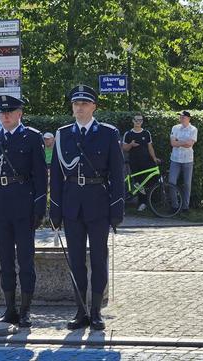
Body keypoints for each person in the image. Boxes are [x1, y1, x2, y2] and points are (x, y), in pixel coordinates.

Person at [49, 84, 124, 331]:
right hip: (72, 206)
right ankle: (80, 310)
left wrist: (117, 209)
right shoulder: (63, 134)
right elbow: (57, 177)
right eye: (75, 104)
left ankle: (96, 312)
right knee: (76, 260)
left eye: (84, 104)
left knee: (99, 259)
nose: (79, 108)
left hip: (99, 204)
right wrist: (55, 210)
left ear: (94, 107)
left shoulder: (108, 133)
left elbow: (116, 173)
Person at [0, 95, 47, 328]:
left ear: (19, 113)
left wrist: (39, 207)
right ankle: (10, 308)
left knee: (25, 259)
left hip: (23, 204)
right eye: (2, 113)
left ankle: (25, 309)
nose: (5, 116)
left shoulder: (32, 137)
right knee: (4, 260)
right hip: (1, 205)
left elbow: (41, 176)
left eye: (10, 112)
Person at [122, 113, 161, 211]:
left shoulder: (146, 133)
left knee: (150, 179)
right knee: (138, 183)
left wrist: (154, 158)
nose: (138, 122)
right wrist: (131, 144)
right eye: (136, 120)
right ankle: (142, 203)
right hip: (134, 162)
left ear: (142, 122)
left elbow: (150, 147)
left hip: (146, 161)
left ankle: (148, 200)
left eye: (140, 120)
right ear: (133, 121)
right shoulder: (129, 134)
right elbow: (124, 148)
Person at [169, 111, 197, 212]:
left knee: (187, 184)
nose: (181, 118)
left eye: (183, 117)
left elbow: (190, 145)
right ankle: (175, 206)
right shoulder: (175, 128)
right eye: (180, 117)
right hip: (175, 159)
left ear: (188, 118)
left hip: (188, 160)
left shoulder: (193, 129)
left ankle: (185, 207)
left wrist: (178, 142)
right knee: (171, 182)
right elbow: (172, 143)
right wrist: (185, 141)